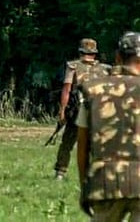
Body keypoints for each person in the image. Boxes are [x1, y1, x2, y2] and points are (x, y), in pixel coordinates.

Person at [76, 31, 140, 221]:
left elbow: (82, 145)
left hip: (105, 182)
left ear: (118, 57)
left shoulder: (93, 90)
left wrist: (85, 185)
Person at [55, 38, 111, 180]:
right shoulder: (105, 69)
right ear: (94, 52)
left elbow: (66, 90)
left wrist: (62, 111)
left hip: (78, 110)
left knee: (68, 141)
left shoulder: (73, 67)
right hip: (99, 111)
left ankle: (60, 172)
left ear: (80, 51)